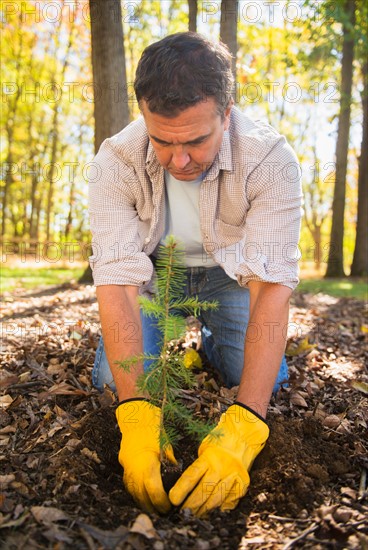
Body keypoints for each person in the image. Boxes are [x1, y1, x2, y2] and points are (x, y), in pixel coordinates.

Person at [88, 31, 302, 517]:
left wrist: (247, 424)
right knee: (110, 382)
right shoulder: (114, 162)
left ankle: (211, 340)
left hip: (230, 276)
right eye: (162, 141)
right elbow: (117, 283)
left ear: (227, 112)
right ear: (143, 112)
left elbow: (271, 286)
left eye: (196, 141)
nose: (178, 160)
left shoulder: (271, 161)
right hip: (150, 276)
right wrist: (137, 417)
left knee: (269, 382)